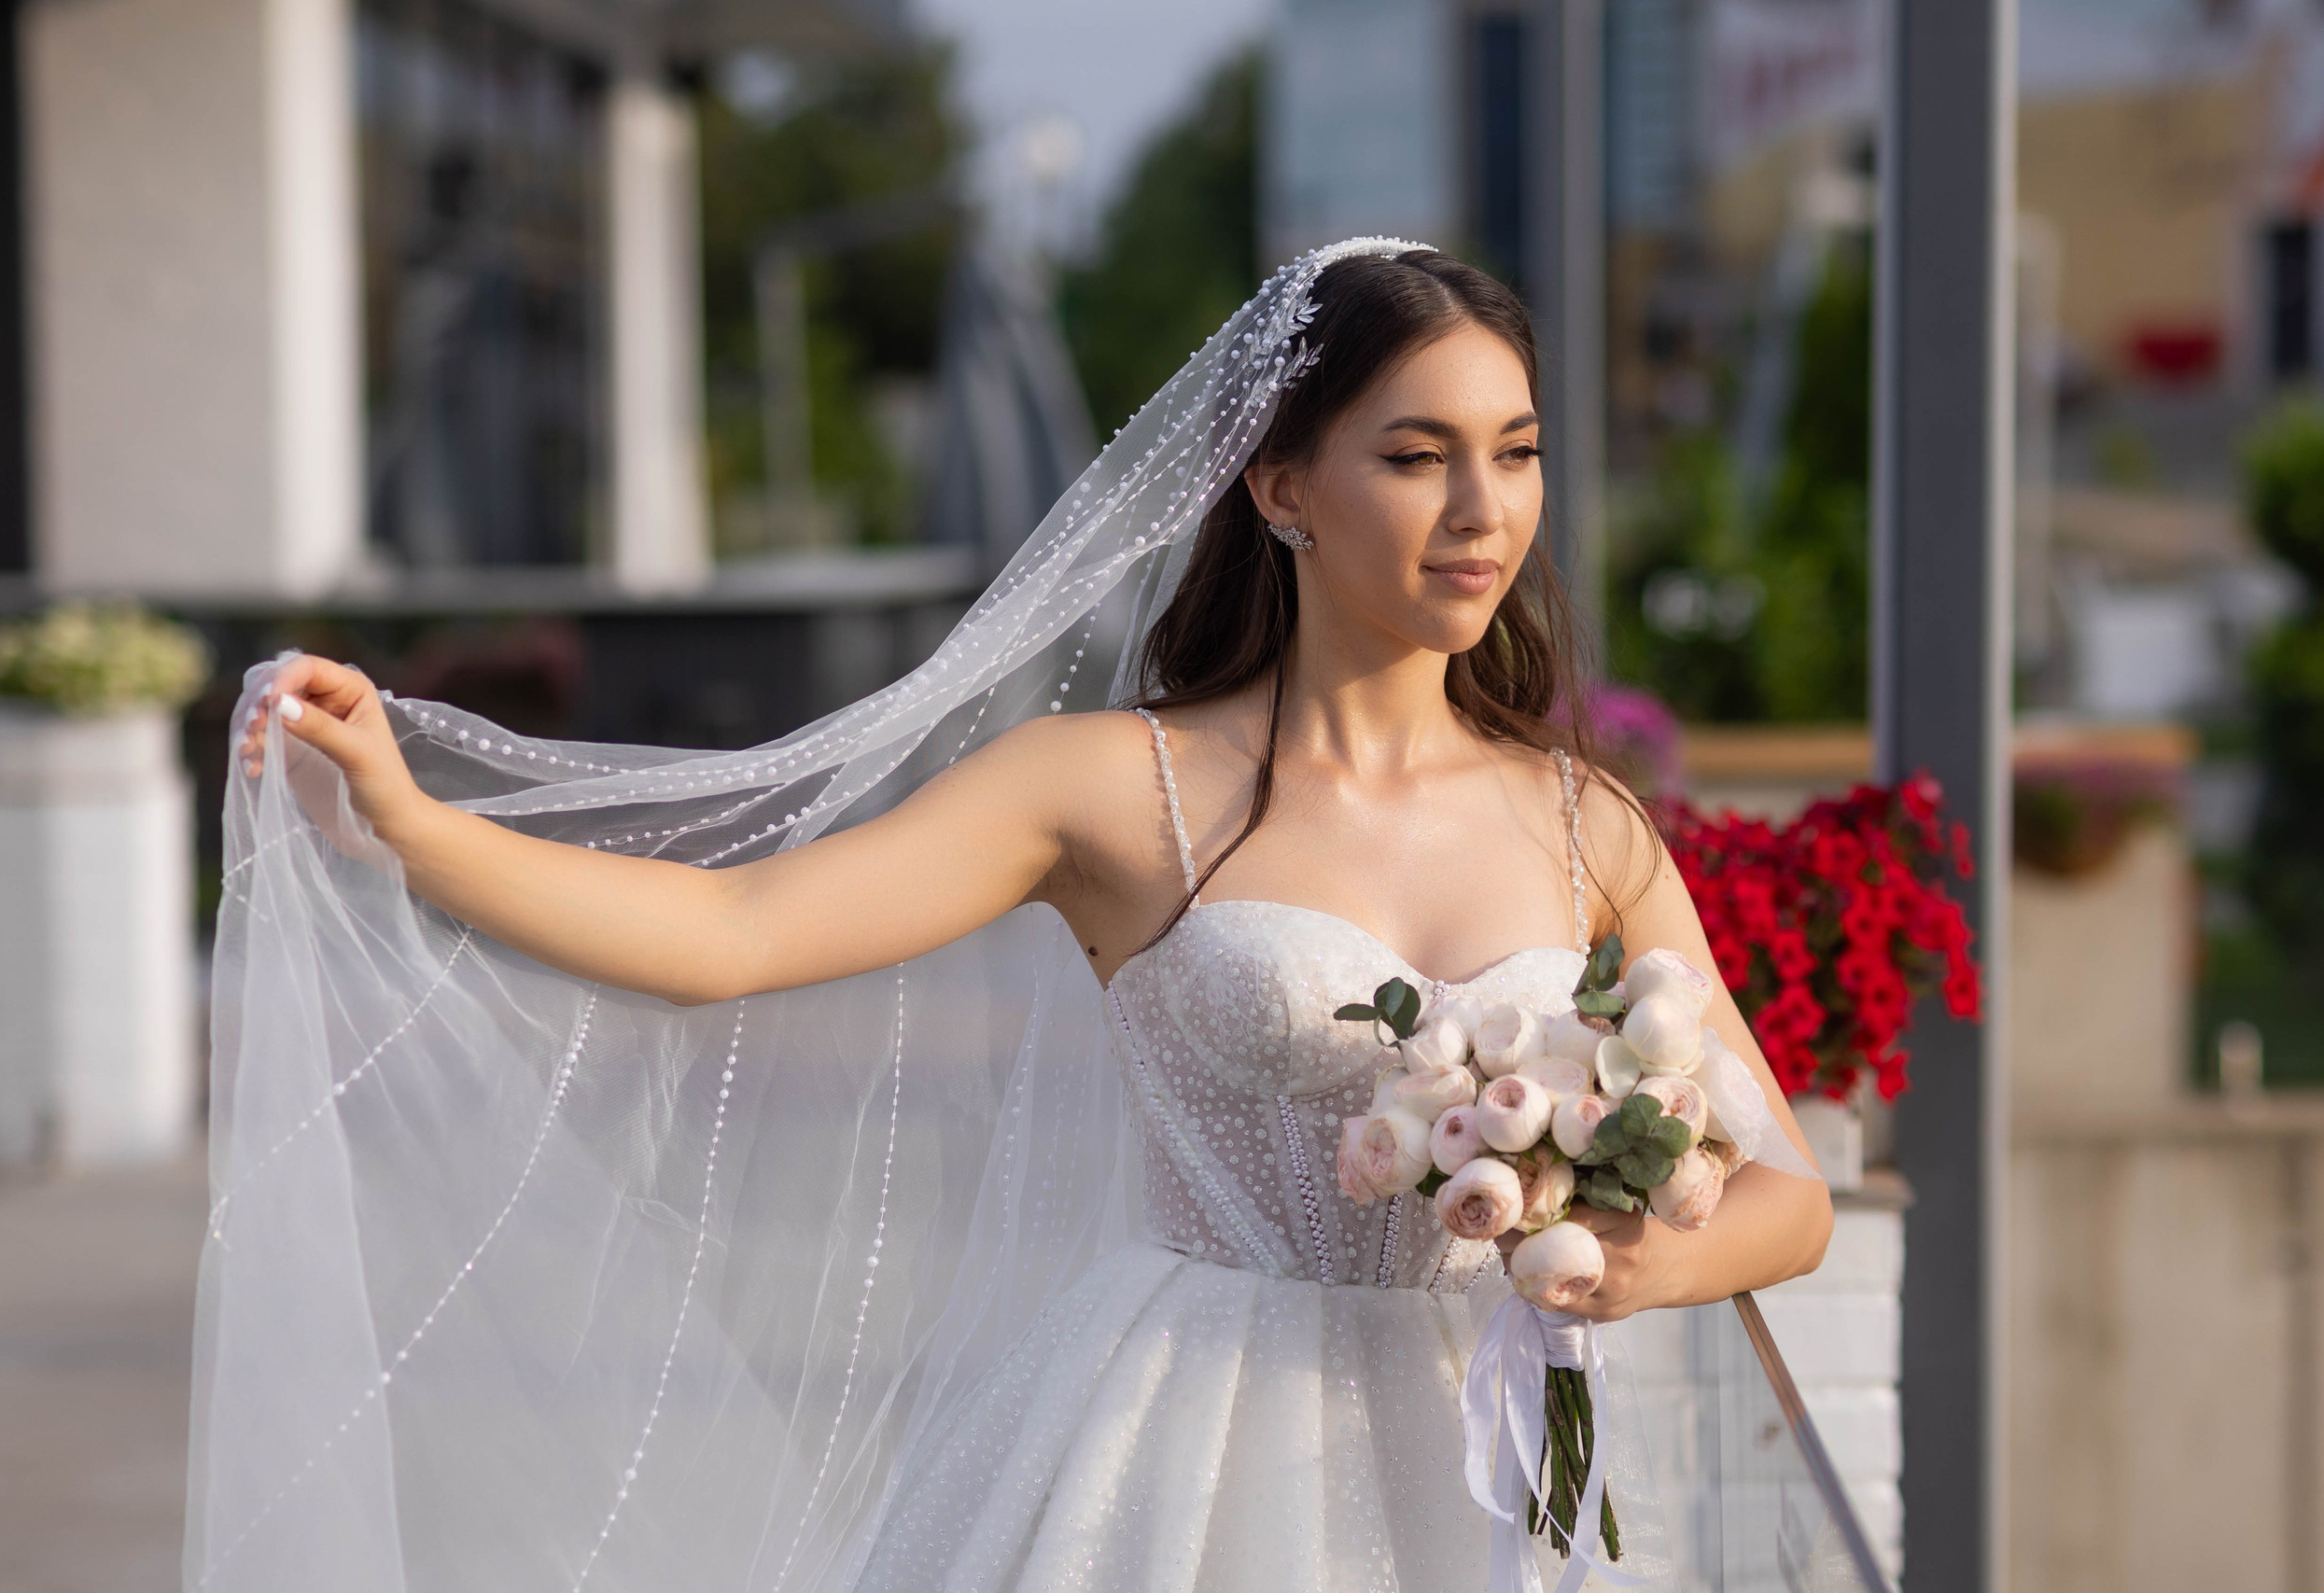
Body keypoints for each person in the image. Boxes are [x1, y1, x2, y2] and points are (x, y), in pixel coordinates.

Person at [200, 242, 1829, 1593]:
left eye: (1516, 450)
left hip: (1483, 1472)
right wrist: (415, 827)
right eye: (1417, 456)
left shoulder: (1584, 820)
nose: (1484, 509)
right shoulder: (1114, 787)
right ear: (1281, 485)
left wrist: (1629, 1263)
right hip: (1191, 1472)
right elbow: (733, 932)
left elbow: (1789, 1198)